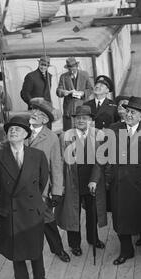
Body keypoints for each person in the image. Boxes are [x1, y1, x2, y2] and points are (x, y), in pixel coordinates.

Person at [0, 116, 57, 279]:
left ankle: (40, 277)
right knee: (16, 250)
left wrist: (32, 199)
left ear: (26, 134)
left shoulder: (37, 156)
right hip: (11, 209)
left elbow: (42, 182)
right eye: (10, 129)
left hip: (32, 208)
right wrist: (9, 198)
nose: (13, 131)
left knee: (35, 246)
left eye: (18, 129)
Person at [106, 96, 141, 266]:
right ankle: (126, 251)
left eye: (134, 112)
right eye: (128, 111)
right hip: (119, 186)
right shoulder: (113, 129)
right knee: (120, 220)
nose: (129, 115)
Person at [55, 105, 107, 257]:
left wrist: (95, 180)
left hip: (92, 181)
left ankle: (93, 238)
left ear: (91, 120)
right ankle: (74, 244)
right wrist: (61, 184)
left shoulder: (99, 135)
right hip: (72, 182)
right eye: (78, 118)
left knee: (93, 212)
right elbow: (59, 161)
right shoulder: (65, 136)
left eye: (84, 118)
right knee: (73, 213)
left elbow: (101, 161)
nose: (81, 121)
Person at [26, 99, 70, 263]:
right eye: (34, 111)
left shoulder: (51, 138)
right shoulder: (21, 132)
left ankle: (58, 249)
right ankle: (28, 252)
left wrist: (57, 191)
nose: (35, 114)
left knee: (48, 221)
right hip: (21, 189)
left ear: (45, 120)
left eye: (40, 113)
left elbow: (56, 166)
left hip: (40, 189)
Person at [56, 57, 93, 131]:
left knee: (83, 131)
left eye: (73, 67)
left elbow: (90, 89)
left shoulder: (84, 74)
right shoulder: (63, 77)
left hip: (82, 107)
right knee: (69, 132)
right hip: (69, 110)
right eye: (69, 68)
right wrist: (63, 92)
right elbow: (58, 91)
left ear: (76, 66)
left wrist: (83, 93)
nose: (71, 69)